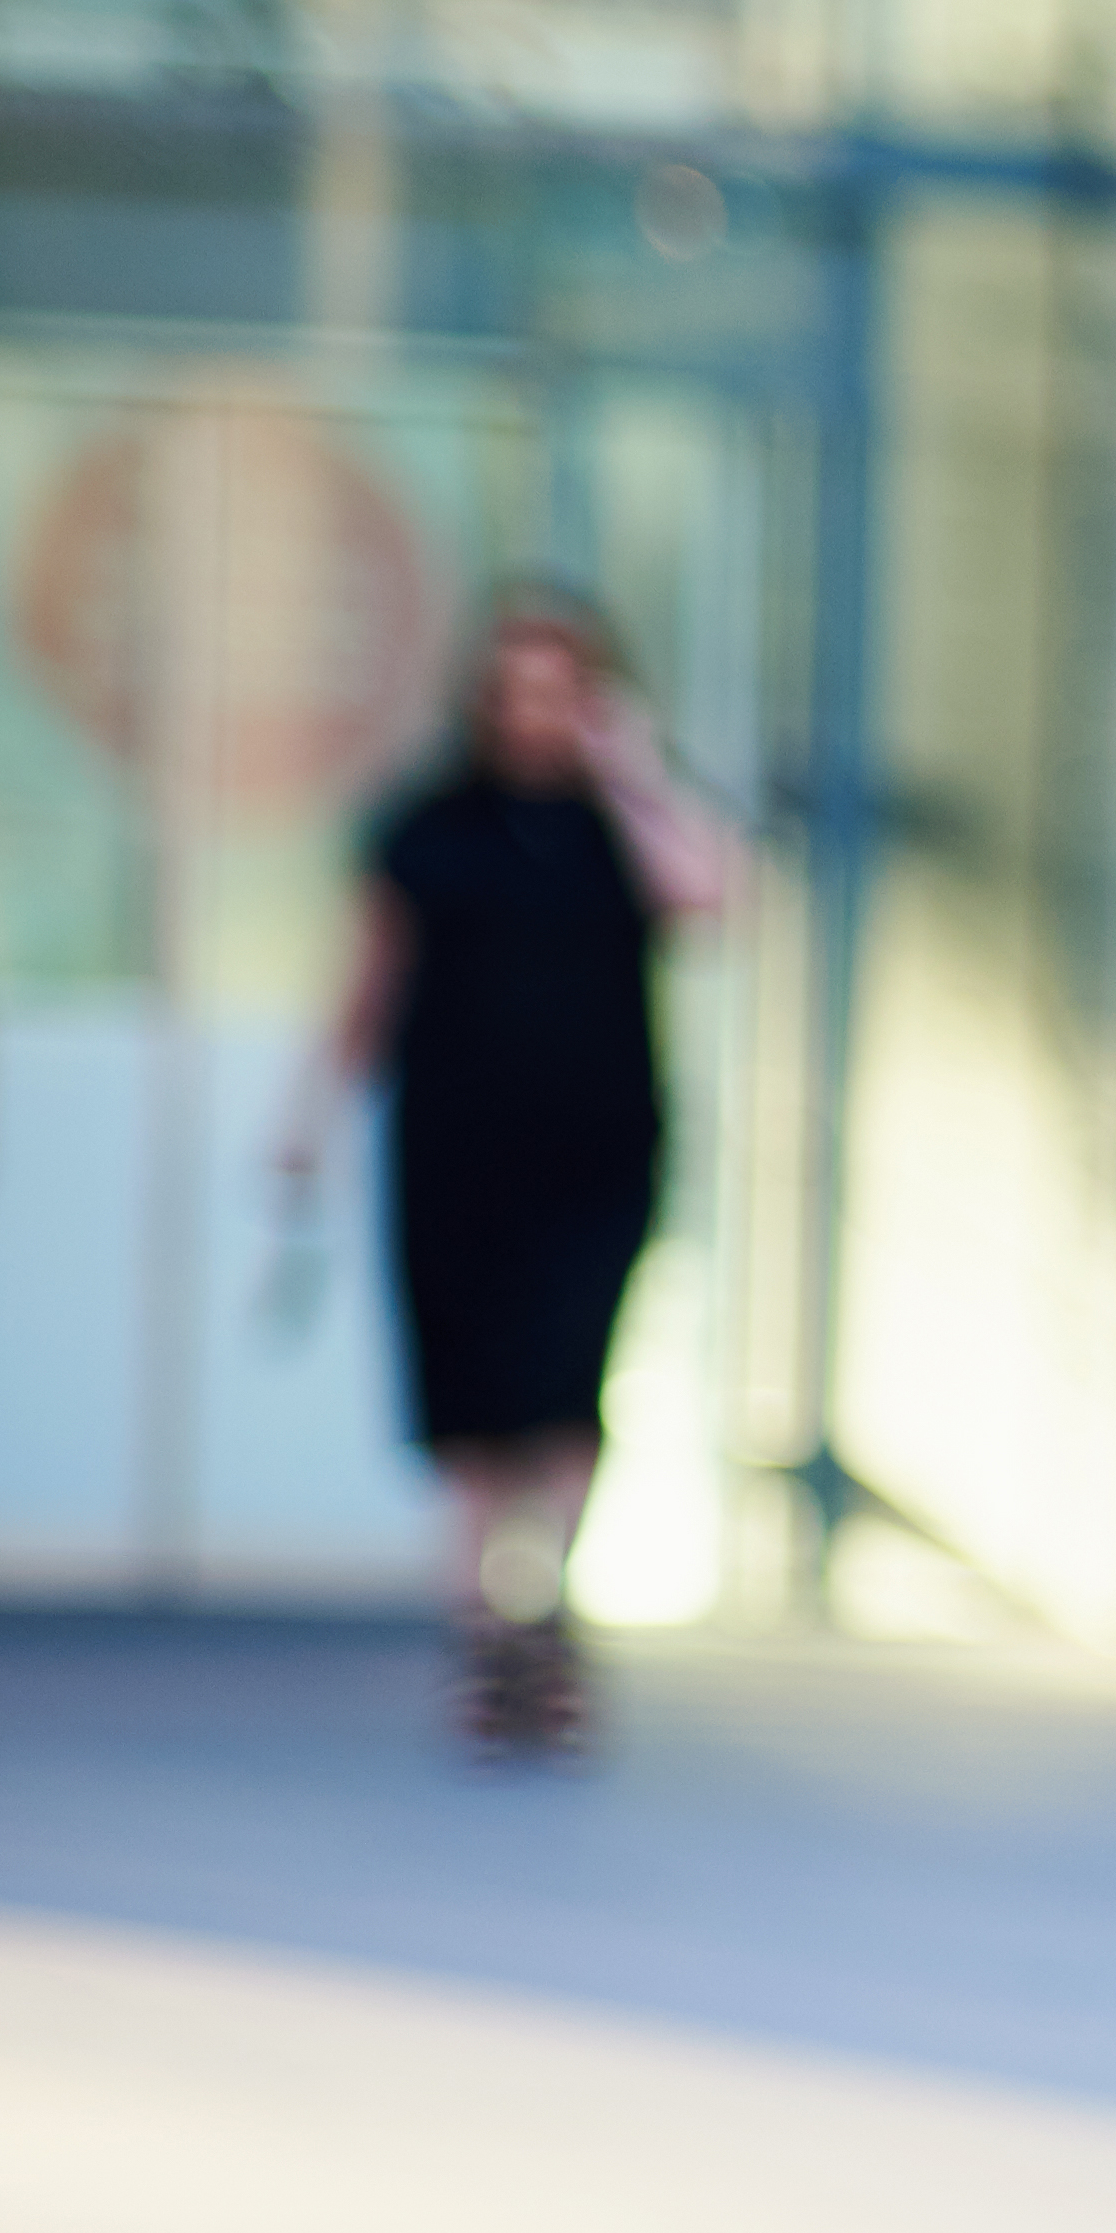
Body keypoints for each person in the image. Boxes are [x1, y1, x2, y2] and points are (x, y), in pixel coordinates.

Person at [280, 590, 734, 1758]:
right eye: (516, 691)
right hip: (455, 1146)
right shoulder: (429, 825)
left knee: (568, 1381)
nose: (535, 716)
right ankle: (487, 1631)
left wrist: (630, 771)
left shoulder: (617, 825)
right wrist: (310, 1114)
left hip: (594, 1150)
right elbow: (370, 980)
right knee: (473, 1395)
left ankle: (549, 1608)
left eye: (561, 693)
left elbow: (707, 897)